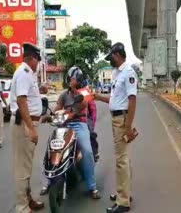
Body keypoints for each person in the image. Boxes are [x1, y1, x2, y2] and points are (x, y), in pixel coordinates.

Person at [40, 66, 101, 199]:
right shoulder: (63, 95)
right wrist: (51, 116)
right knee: (52, 148)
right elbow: (57, 110)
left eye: (76, 79)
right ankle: (49, 181)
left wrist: (71, 112)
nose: (74, 81)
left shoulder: (85, 92)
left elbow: (83, 104)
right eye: (73, 78)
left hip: (80, 125)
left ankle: (92, 186)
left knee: (87, 152)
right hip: (64, 125)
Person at [93, 42, 137, 213]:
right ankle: (124, 193)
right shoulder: (117, 73)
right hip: (117, 118)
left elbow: (132, 101)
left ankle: (123, 202)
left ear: (117, 55)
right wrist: (97, 96)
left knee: (121, 161)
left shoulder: (128, 73)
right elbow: (114, 100)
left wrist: (128, 126)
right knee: (123, 159)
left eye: (111, 57)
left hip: (122, 120)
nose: (110, 60)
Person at [10, 43, 45, 213]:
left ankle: (28, 199)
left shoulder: (28, 73)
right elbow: (21, 101)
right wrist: (31, 128)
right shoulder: (24, 73)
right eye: (37, 60)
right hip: (24, 124)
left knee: (27, 167)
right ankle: (22, 207)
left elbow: (29, 98)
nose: (38, 64)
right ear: (31, 58)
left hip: (28, 121)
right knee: (22, 169)